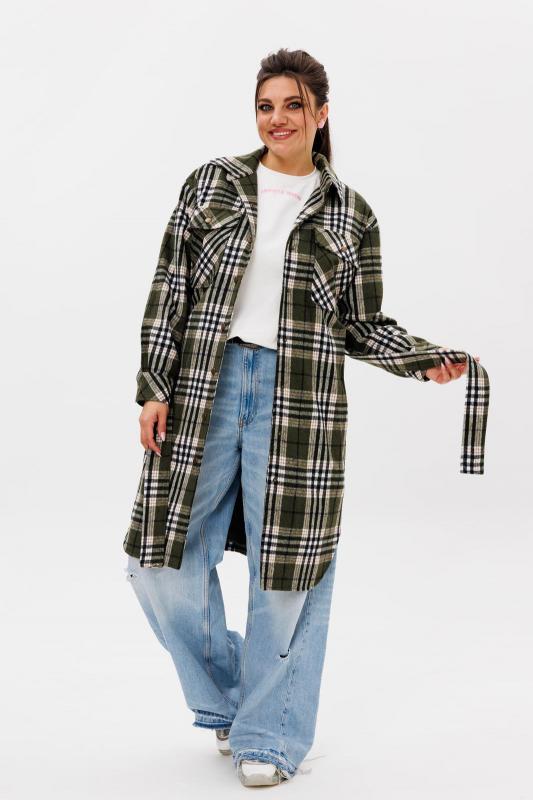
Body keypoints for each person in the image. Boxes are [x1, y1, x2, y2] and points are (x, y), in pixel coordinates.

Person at [123, 48, 485, 788]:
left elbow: (362, 324)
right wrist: (154, 385)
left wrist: (424, 359)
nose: (278, 119)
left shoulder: (351, 213)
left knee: (290, 571)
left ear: (321, 113)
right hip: (204, 385)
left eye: (293, 105)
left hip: (301, 400)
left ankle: (270, 734)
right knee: (157, 561)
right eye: (266, 106)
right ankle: (239, 701)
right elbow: (169, 287)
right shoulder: (212, 183)